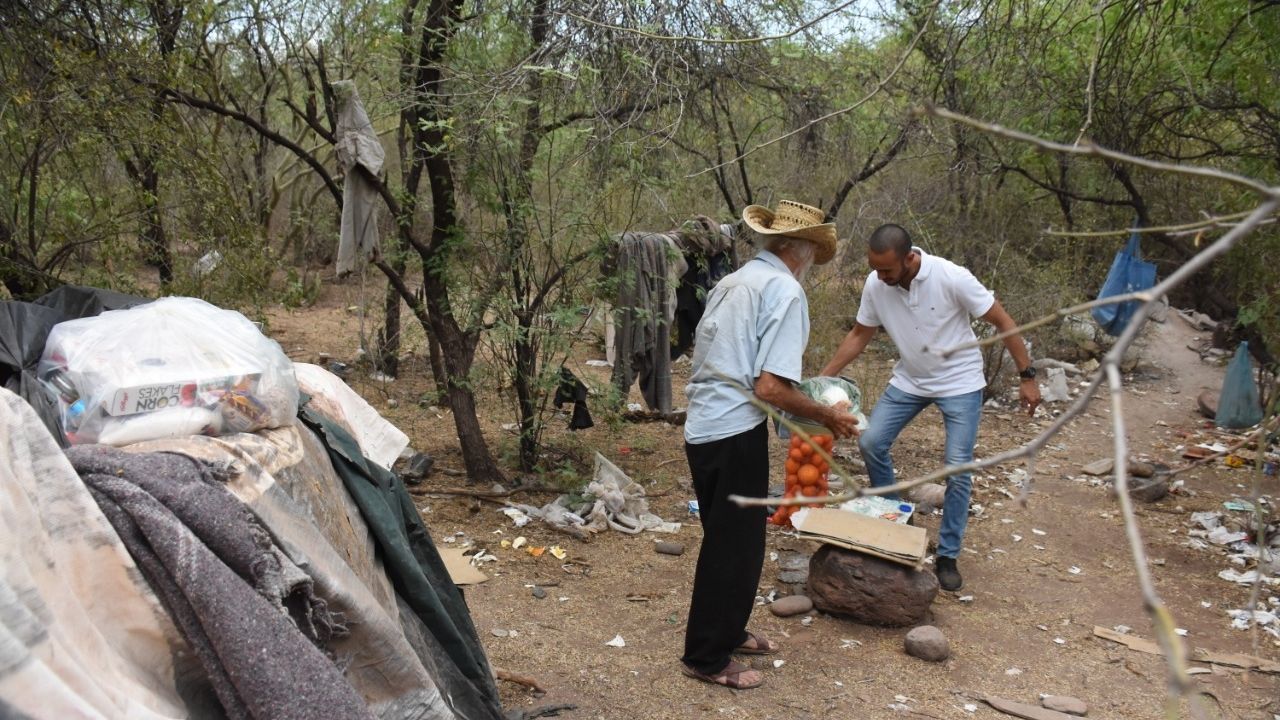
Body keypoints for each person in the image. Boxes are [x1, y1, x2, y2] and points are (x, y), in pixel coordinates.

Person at [681, 200, 859, 690]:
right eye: (814, 255)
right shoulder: (784, 290)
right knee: (732, 547)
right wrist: (828, 415)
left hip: (704, 425)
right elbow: (771, 388)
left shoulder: (735, 281)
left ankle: (729, 631)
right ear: (801, 251)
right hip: (734, 428)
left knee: (734, 539)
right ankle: (706, 656)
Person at [820, 223, 1041, 592]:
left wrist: (1027, 376)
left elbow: (1002, 321)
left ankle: (948, 555)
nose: (880, 277)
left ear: (909, 258)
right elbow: (859, 334)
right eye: (875, 269)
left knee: (958, 467)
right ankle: (898, 522)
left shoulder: (952, 277)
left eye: (887, 269)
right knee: (871, 442)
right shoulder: (877, 284)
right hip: (910, 379)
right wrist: (823, 379)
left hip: (960, 382)